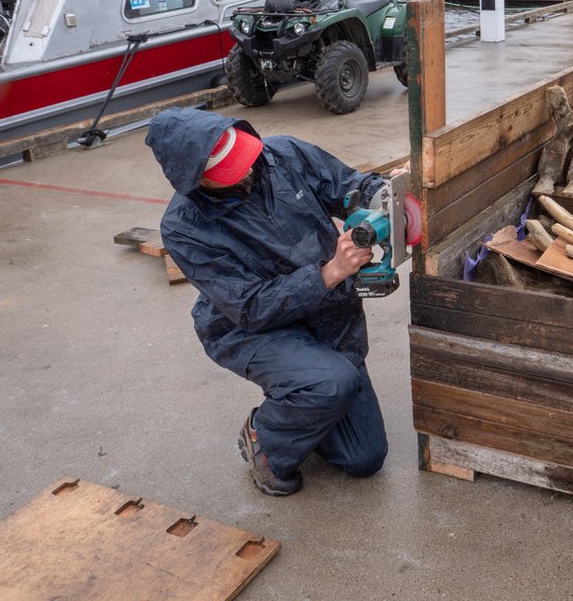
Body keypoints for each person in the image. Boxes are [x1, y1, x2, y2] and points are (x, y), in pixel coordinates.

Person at [146, 107, 390, 495]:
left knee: (364, 457)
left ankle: (306, 399)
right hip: (250, 329)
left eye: (243, 155)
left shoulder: (282, 154)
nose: (247, 168)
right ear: (197, 180)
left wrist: (384, 200)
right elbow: (249, 307)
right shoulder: (183, 228)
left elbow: (349, 185)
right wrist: (331, 272)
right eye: (229, 169)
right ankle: (266, 440)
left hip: (326, 314)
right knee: (331, 383)